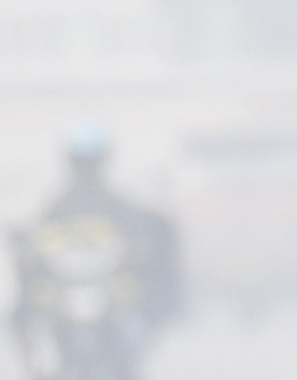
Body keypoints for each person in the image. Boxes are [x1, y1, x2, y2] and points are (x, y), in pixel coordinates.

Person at [25, 122, 183, 330]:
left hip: (109, 283)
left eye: (90, 162)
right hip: (66, 284)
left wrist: (139, 250)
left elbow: (139, 237)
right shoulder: (59, 205)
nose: (86, 170)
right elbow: (39, 239)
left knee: (135, 305)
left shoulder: (116, 204)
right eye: (82, 163)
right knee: (33, 311)